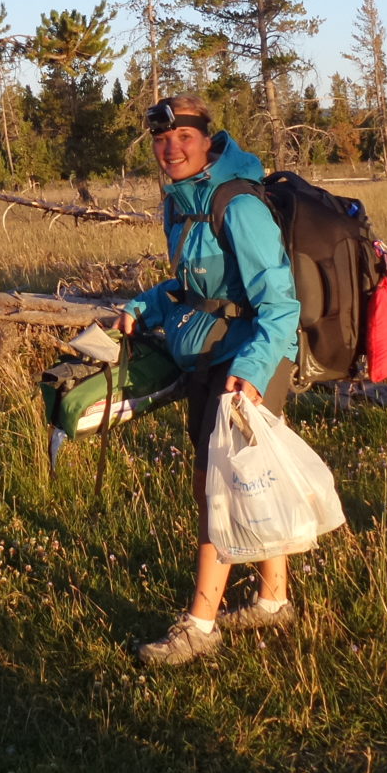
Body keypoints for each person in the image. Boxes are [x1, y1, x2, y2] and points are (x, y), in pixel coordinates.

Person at [118, 94, 301, 667]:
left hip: (248, 358)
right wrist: (144, 305)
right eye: (161, 140)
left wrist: (251, 371)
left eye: (184, 139)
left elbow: (281, 302)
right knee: (254, 479)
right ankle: (274, 603)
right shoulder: (179, 202)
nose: (171, 149)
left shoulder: (237, 204)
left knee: (215, 489)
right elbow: (191, 285)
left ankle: (200, 627)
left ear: (207, 139)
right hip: (211, 355)